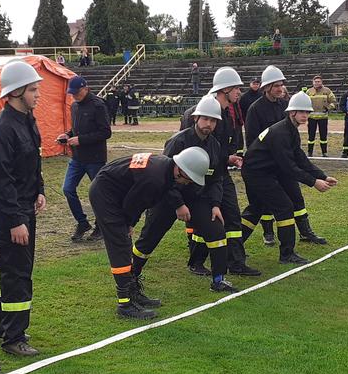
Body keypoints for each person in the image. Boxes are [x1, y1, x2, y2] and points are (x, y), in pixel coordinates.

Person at [132, 95, 239, 295]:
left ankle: (218, 280)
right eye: (205, 119)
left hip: (196, 197)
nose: (209, 124)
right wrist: (178, 204)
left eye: (213, 120)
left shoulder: (215, 146)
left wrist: (215, 204)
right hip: (166, 198)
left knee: (216, 231)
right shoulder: (178, 141)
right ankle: (131, 277)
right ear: (196, 118)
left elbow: (216, 179)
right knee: (148, 240)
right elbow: (164, 177)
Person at [89, 147, 210, 319]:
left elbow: (137, 199)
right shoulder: (155, 178)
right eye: (189, 179)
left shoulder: (165, 168)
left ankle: (133, 293)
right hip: (106, 195)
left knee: (124, 241)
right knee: (121, 246)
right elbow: (133, 202)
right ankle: (125, 305)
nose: (188, 183)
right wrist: (128, 223)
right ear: (181, 170)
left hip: (117, 192)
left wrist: (129, 221)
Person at [0, 60, 46, 357]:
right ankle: (14, 337)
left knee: (16, 268)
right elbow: (0, 180)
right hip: (10, 211)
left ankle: (1, 324)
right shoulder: (1, 129)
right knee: (18, 273)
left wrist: (40, 190)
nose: (38, 94)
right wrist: (14, 220)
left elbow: (33, 160)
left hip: (24, 206)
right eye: (33, 89)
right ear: (17, 91)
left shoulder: (28, 121)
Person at [179, 69, 260, 277]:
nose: (239, 92)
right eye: (236, 88)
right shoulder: (204, 111)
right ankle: (196, 261)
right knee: (205, 220)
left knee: (232, 215)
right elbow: (196, 145)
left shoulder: (228, 111)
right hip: (204, 175)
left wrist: (229, 157)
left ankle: (236, 262)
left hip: (221, 172)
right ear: (225, 89)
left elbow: (222, 145)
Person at [241, 92, 338, 265]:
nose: (305, 115)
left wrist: (322, 175)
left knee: (256, 209)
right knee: (285, 207)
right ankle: (287, 254)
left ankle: (233, 246)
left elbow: (300, 158)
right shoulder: (281, 132)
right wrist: (314, 182)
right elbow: (288, 167)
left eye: (307, 112)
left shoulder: (289, 130)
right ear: (292, 112)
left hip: (260, 173)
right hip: (258, 174)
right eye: (301, 111)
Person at [246, 65, 327, 247]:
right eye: (276, 86)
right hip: (266, 165)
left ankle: (305, 232)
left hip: (284, 162)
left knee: (296, 197)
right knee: (266, 204)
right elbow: (252, 140)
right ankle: (268, 233)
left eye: (282, 85)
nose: (280, 89)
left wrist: (319, 176)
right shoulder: (255, 109)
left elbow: (295, 150)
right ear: (267, 87)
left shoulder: (286, 105)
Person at [56, 76, 111, 242]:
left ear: (85, 88)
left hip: (95, 159)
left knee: (98, 194)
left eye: (77, 93)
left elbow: (105, 132)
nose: (74, 96)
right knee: (67, 189)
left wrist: (81, 140)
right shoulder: (74, 106)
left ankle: (101, 226)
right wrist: (67, 134)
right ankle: (82, 223)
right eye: (72, 94)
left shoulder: (98, 105)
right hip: (77, 158)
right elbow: (76, 128)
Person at [306, 75, 337, 157]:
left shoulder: (327, 91)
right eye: (315, 82)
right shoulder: (309, 91)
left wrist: (328, 108)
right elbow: (304, 103)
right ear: (313, 82)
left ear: (321, 82)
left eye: (318, 81)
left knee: (323, 136)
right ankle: (310, 152)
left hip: (323, 118)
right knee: (311, 137)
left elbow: (333, 102)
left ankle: (324, 152)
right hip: (311, 118)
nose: (317, 83)